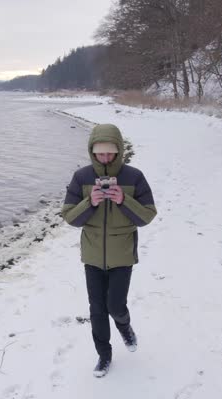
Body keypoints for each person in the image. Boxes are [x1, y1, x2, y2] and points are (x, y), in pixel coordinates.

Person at [61, 124, 157, 377]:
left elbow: (147, 216)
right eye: (100, 153)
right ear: (92, 151)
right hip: (92, 255)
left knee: (115, 306)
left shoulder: (134, 177)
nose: (105, 158)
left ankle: (125, 327)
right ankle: (104, 356)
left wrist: (123, 200)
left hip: (122, 254)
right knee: (97, 310)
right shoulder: (81, 177)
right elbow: (70, 217)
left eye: (110, 153)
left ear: (119, 151)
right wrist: (89, 202)